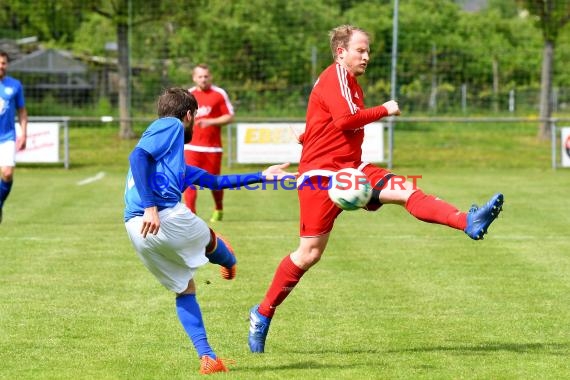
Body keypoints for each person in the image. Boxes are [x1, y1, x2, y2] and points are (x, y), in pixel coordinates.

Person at [248, 25, 504, 353]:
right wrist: (386, 108)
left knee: (406, 190)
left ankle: (468, 221)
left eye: (368, 51)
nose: (366, 56)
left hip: (353, 171)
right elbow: (344, 120)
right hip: (320, 178)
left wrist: (310, 133)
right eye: (361, 50)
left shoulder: (349, 83)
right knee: (309, 254)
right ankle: (262, 312)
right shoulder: (336, 75)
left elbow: (329, 120)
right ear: (341, 52)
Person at [124, 88, 295, 374]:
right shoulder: (171, 124)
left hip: (136, 229)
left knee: (185, 289)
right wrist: (152, 206)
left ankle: (208, 358)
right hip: (162, 215)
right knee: (212, 242)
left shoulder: (173, 165)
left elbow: (216, 182)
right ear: (189, 115)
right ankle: (226, 259)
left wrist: (262, 176)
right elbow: (137, 155)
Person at [183, 64, 235, 223]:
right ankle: (191, 215)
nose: (203, 79)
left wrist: (210, 122)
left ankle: (218, 208)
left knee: (214, 182)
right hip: (191, 147)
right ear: (194, 78)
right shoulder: (189, 95)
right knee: (188, 180)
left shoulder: (219, 94)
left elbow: (229, 116)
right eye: (200, 76)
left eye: (206, 76)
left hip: (212, 148)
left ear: (210, 77)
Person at [0, 50, 28, 224]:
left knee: (7, 173)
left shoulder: (15, 85)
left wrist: (24, 133)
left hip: (7, 137)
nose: (0, 66)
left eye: (3, 63)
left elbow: (22, 111)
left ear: (7, 65)